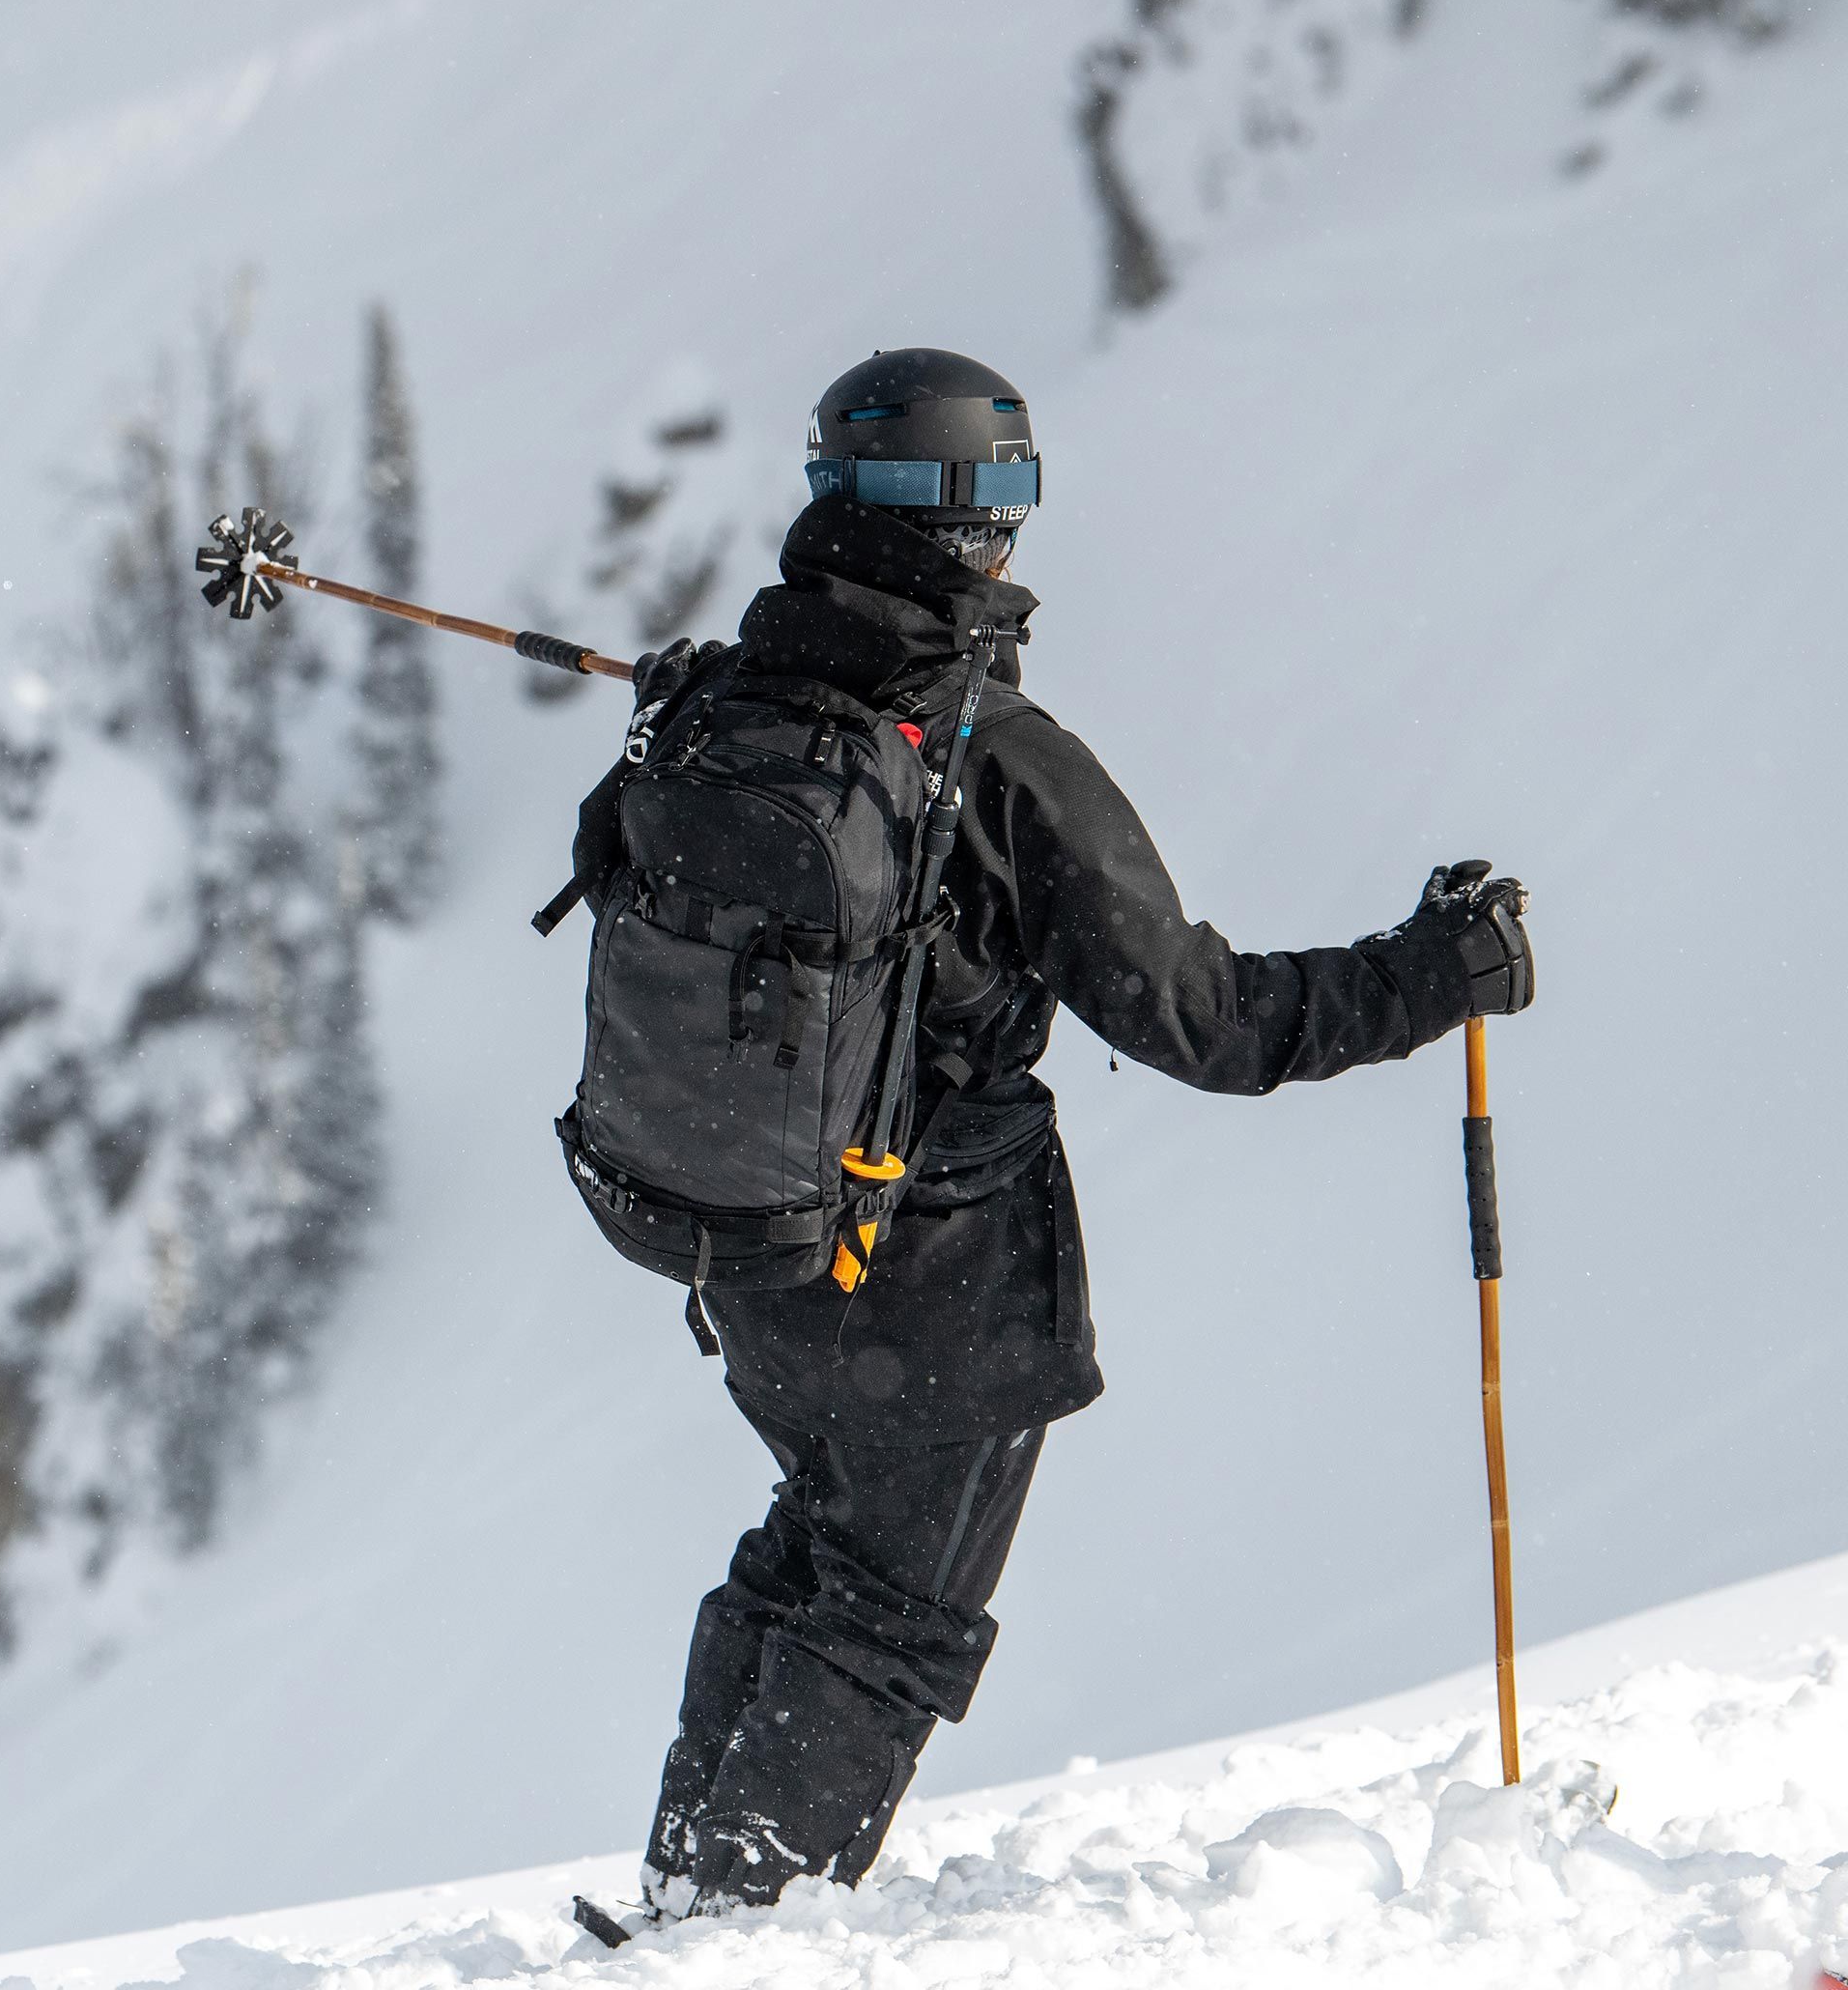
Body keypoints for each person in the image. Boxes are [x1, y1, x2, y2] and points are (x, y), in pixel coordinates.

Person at [573, 349, 1534, 1938]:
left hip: (750, 1239)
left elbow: (612, 874)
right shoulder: (992, 760)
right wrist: (1442, 971)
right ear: (979, 525)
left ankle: (692, 1898)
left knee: (818, 1543)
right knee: (890, 1607)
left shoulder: (711, 700)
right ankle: (733, 1933)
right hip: (937, 1281)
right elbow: (1209, 1022)